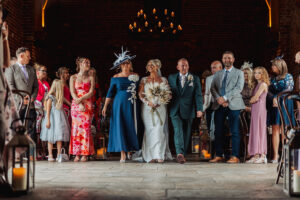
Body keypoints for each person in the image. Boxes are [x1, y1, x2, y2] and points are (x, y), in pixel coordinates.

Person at [102, 48, 140, 163]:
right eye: (123, 63)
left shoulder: (136, 75)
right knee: (120, 127)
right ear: (120, 65)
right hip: (119, 105)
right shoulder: (115, 77)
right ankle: (122, 153)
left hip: (132, 104)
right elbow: (110, 93)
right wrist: (104, 106)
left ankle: (130, 150)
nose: (126, 65)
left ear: (130, 64)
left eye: (128, 63)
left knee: (131, 126)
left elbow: (140, 90)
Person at [210, 51, 245, 163]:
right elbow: (213, 88)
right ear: (222, 59)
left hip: (233, 105)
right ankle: (219, 154)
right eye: (225, 58)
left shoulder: (239, 73)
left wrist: (225, 98)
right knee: (218, 131)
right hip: (219, 105)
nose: (227, 60)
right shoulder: (218, 73)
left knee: (235, 131)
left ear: (233, 59)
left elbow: (238, 88)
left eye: (229, 58)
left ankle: (235, 156)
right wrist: (219, 99)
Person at [168, 58, 203, 164]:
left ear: (188, 66)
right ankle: (179, 154)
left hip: (189, 109)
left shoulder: (194, 78)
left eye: (186, 65)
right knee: (177, 130)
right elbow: (167, 91)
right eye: (182, 65)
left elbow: (198, 95)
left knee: (186, 132)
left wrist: (199, 109)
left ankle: (183, 153)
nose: (184, 67)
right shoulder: (171, 78)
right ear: (177, 67)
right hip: (175, 109)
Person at [139, 59, 172, 163]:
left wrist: (161, 101)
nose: (150, 66)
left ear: (158, 66)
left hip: (160, 107)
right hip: (147, 108)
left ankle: (159, 154)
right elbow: (140, 94)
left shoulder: (163, 80)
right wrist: (147, 102)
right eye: (148, 65)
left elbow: (169, 94)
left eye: (152, 65)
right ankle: (150, 156)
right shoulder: (144, 80)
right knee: (149, 130)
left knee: (158, 129)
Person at [5, 47, 39, 142]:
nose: (30, 58)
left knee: (31, 131)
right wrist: (21, 99)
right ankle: (17, 155)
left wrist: (32, 98)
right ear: (21, 55)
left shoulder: (32, 70)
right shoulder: (11, 69)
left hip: (30, 106)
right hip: (17, 106)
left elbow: (36, 87)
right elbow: (10, 86)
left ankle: (31, 156)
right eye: (28, 56)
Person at [267, 56, 295, 163]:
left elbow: (289, 89)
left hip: (285, 103)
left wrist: (276, 97)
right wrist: (273, 98)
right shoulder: (272, 79)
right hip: (275, 105)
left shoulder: (289, 76)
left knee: (284, 130)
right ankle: (275, 156)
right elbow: (268, 91)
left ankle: (285, 155)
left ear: (279, 66)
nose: (272, 67)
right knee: (275, 129)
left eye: (274, 65)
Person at [69, 57, 95, 162]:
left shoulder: (91, 77)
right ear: (80, 64)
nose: (88, 64)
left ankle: (85, 153)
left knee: (85, 128)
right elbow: (72, 91)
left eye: (89, 62)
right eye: (85, 62)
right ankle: (76, 153)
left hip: (87, 102)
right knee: (75, 128)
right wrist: (78, 102)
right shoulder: (73, 77)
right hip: (76, 104)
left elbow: (91, 91)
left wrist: (81, 99)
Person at [40, 79, 70, 161]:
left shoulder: (59, 97)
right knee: (50, 137)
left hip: (59, 119)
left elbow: (66, 103)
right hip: (52, 119)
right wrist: (48, 121)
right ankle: (50, 155)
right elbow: (48, 111)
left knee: (59, 137)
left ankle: (59, 154)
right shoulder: (51, 97)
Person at [247, 67, 270, 164]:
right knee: (254, 130)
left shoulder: (263, 84)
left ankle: (263, 155)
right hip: (255, 110)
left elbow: (255, 98)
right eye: (255, 73)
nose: (256, 75)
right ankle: (255, 154)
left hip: (260, 109)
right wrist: (252, 99)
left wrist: (252, 99)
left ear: (263, 74)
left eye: (259, 73)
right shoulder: (257, 85)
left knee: (260, 130)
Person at [203, 60, 222, 141]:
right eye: (211, 68)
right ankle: (212, 149)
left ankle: (219, 150)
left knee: (219, 127)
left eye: (214, 68)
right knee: (209, 127)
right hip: (210, 105)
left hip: (221, 105)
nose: (212, 70)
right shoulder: (208, 79)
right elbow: (207, 94)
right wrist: (204, 107)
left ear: (220, 68)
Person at [34, 63, 50, 136]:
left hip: (46, 104)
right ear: (37, 72)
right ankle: (37, 137)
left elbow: (50, 93)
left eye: (46, 71)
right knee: (38, 120)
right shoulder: (35, 81)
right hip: (38, 103)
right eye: (43, 71)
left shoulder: (45, 82)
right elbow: (36, 94)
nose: (45, 73)